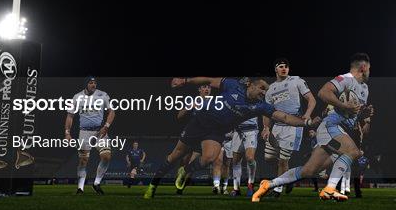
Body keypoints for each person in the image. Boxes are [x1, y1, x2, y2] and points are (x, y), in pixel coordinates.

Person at [143, 77, 320, 199]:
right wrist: (186, 81)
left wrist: (305, 123)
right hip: (200, 122)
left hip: (216, 131)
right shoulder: (233, 85)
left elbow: (284, 117)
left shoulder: (260, 106)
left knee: (209, 158)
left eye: (266, 91)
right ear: (250, 85)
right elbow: (208, 80)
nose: (264, 92)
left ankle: (185, 171)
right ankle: (153, 185)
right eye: (262, 88)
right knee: (174, 156)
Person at [252, 53, 373, 202]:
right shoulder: (345, 79)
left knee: (308, 170)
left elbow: (354, 114)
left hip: (341, 130)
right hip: (332, 125)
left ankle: (269, 184)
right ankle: (330, 189)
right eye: (369, 68)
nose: (369, 72)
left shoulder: (364, 89)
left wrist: (363, 115)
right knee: (352, 151)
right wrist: (343, 106)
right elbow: (323, 92)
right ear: (363, 67)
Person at [262, 58, 316, 197]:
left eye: (286, 66)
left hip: (293, 125)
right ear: (276, 69)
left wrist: (307, 115)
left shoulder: (296, 80)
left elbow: (311, 99)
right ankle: (288, 177)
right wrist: (266, 127)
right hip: (277, 127)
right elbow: (267, 112)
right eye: (281, 66)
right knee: (268, 158)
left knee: (283, 160)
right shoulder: (270, 89)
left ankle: (277, 190)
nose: (284, 68)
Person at [64, 76, 116, 195]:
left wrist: (106, 126)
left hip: (100, 131)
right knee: (83, 161)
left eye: (95, 83)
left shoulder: (103, 95)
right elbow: (70, 116)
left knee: (107, 156)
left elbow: (112, 112)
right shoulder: (77, 97)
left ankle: (96, 183)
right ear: (86, 84)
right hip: (84, 132)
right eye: (91, 83)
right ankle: (80, 188)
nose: (94, 85)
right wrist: (67, 132)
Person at [174, 84, 211, 194]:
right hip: (190, 136)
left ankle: (180, 188)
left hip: (203, 137)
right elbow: (179, 116)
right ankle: (180, 178)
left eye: (209, 87)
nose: (207, 89)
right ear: (199, 89)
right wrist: (190, 106)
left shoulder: (214, 103)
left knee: (191, 164)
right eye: (204, 87)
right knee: (184, 162)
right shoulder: (192, 101)